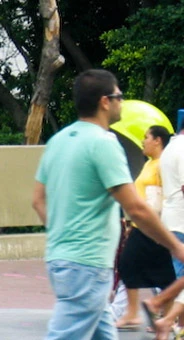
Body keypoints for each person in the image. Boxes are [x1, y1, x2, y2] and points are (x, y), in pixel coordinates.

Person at [31, 69, 184, 340]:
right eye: (119, 96)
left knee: (104, 333)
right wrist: (175, 246)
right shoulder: (103, 143)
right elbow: (134, 207)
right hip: (87, 262)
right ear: (105, 101)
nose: (121, 102)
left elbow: (38, 201)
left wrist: (61, 235)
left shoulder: (58, 141)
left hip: (62, 257)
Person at [115, 126, 175, 331]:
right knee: (162, 271)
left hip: (153, 224)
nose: (143, 141)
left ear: (158, 140)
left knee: (129, 263)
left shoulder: (161, 164)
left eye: (146, 137)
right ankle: (163, 316)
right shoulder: (150, 163)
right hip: (143, 224)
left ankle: (140, 314)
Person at [151, 122, 184, 339]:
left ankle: (172, 320)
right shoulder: (182, 149)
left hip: (171, 219)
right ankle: (166, 315)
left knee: (178, 276)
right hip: (181, 220)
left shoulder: (171, 148)